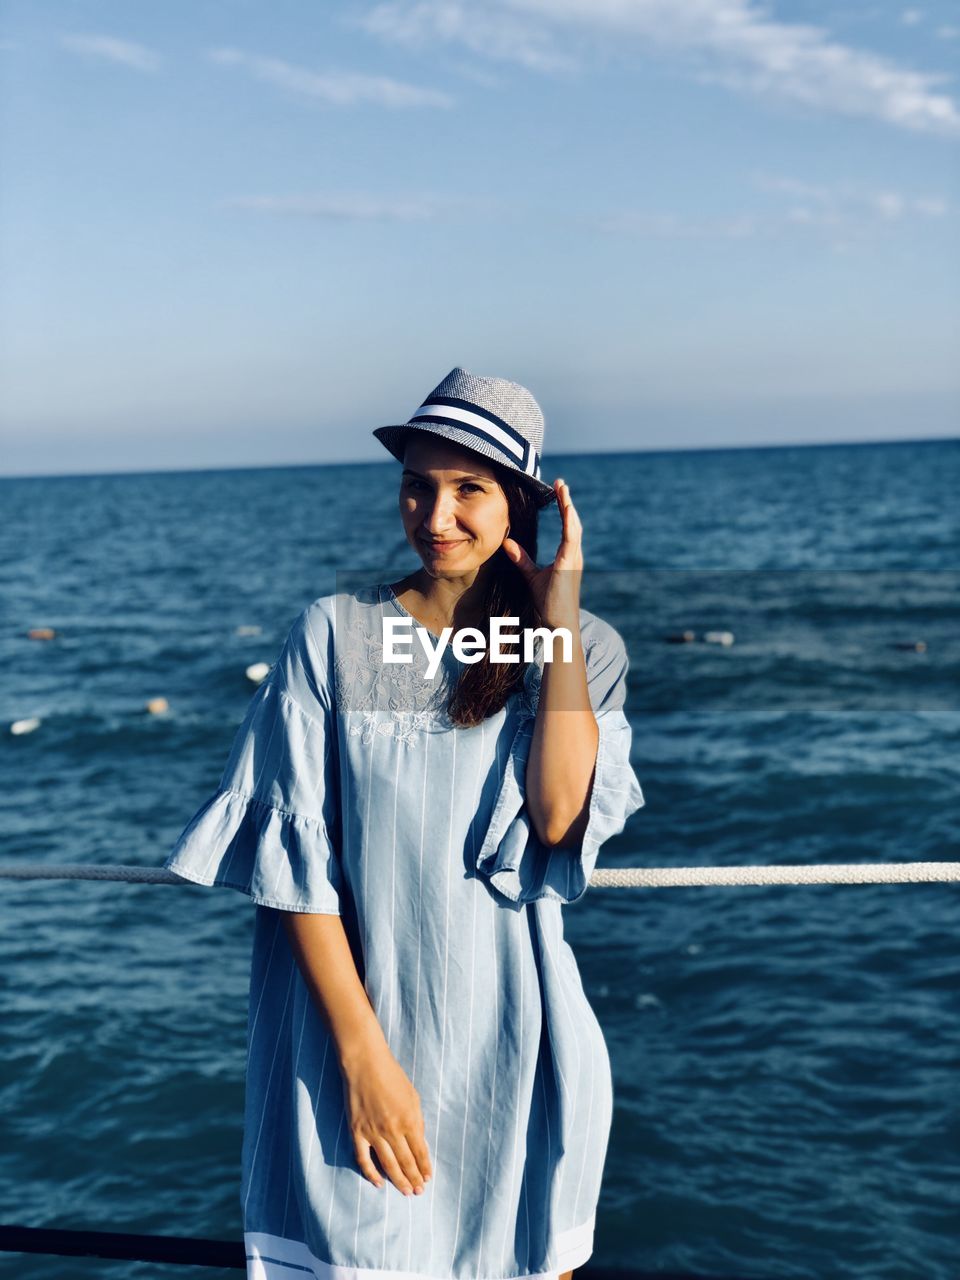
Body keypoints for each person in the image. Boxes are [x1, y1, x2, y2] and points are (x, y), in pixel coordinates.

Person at [163, 366, 645, 1280]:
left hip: (520, 1050)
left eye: (470, 490)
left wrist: (560, 624)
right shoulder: (335, 634)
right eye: (418, 486)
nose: (436, 516)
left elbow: (554, 821)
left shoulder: (583, 650)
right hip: (360, 1053)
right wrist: (362, 1060)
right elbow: (293, 863)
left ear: (523, 505)